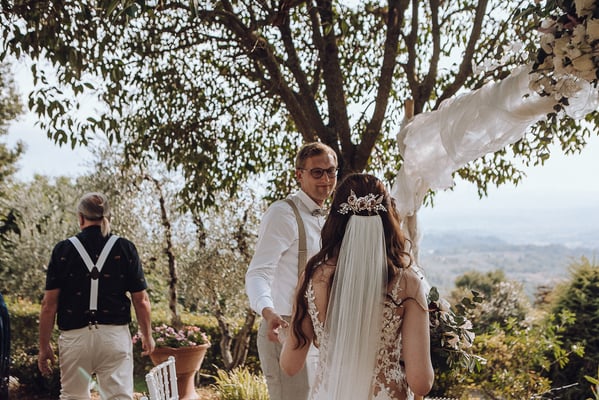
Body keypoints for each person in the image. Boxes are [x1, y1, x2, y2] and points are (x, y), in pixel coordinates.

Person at [280, 173, 434, 400]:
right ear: (388, 218)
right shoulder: (408, 283)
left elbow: (290, 365)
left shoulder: (313, 277)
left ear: (335, 219)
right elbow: (421, 382)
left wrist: (286, 333)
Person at [38, 192, 155, 400]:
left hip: (75, 338)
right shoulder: (125, 248)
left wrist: (44, 346)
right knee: (118, 397)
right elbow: (141, 300)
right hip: (114, 337)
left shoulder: (63, 250)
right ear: (108, 217)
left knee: (73, 397)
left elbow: (49, 305)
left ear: (80, 217)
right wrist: (147, 335)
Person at [245, 142, 338, 400]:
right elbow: (257, 273)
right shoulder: (282, 214)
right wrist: (268, 311)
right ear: (299, 175)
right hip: (285, 328)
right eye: (317, 172)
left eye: (331, 171)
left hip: (321, 332)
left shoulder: (329, 218)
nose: (326, 179)